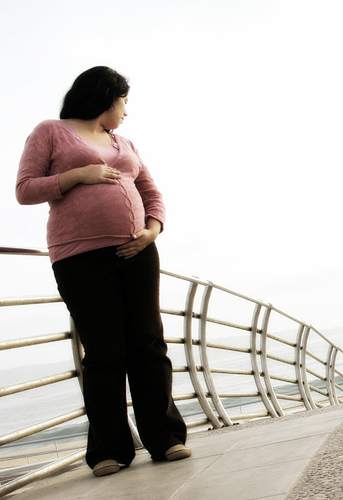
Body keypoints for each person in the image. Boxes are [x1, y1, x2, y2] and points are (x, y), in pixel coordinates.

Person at [16, 66, 190, 477]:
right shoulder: (51, 131)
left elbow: (152, 193)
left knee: (148, 344)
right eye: (124, 101)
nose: (127, 111)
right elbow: (25, 189)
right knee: (104, 352)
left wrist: (152, 230)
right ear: (106, 97)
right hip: (78, 257)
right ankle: (109, 450)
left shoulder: (125, 142)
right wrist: (79, 175)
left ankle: (165, 438)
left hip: (138, 253)